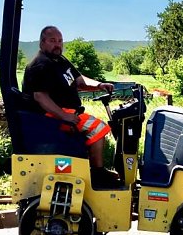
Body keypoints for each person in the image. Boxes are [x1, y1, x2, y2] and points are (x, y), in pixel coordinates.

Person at [22, 25, 117, 185]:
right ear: (42, 42)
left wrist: (99, 85)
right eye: (53, 41)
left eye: (60, 41)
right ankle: (98, 174)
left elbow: (79, 80)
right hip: (50, 117)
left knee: (94, 128)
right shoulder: (40, 65)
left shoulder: (60, 61)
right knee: (98, 128)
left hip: (64, 112)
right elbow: (40, 97)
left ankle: (89, 167)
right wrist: (64, 115)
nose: (58, 44)